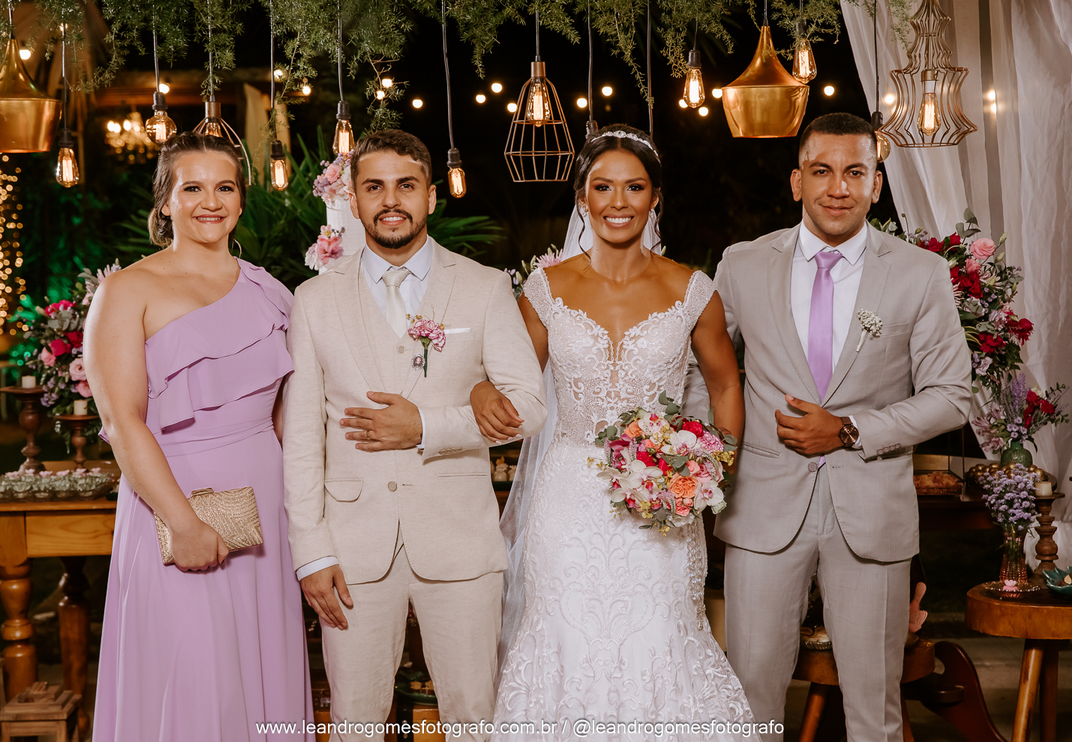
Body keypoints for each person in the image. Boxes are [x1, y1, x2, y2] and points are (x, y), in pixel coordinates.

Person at [487, 124, 760, 740]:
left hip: (660, 502)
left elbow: (725, 386)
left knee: (660, 633)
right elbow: (514, 384)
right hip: (567, 499)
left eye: (634, 187)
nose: (618, 202)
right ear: (582, 197)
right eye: (602, 186)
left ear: (654, 197)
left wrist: (710, 470)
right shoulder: (545, 290)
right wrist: (480, 392)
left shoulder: (692, 289)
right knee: (565, 634)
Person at [714, 112, 972, 742]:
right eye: (822, 171)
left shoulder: (918, 272)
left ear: (876, 184)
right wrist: (709, 458)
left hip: (871, 510)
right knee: (748, 702)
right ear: (796, 181)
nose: (838, 187)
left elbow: (952, 397)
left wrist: (850, 429)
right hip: (762, 510)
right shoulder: (742, 265)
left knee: (875, 709)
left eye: (855, 172)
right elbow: (707, 378)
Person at [282, 130, 546, 742]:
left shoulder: (483, 287)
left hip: (460, 541)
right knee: (354, 724)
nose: (390, 200)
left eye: (406, 185)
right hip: (351, 550)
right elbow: (302, 439)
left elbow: (529, 407)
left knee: (474, 719)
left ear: (430, 196)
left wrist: (425, 426)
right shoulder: (314, 300)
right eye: (374, 187)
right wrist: (312, 552)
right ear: (353, 199)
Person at [85, 133, 310, 741]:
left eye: (225, 187)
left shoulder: (272, 292)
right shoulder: (125, 292)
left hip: (266, 506)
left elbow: (288, 417)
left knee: (261, 669)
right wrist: (183, 523)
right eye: (192, 188)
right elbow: (122, 422)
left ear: (241, 201)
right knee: (194, 679)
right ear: (166, 202)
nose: (210, 202)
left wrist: (306, 517)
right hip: (174, 503)